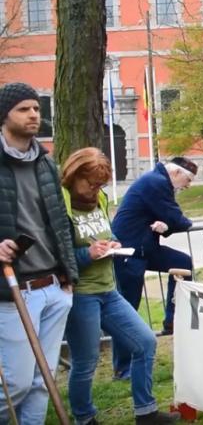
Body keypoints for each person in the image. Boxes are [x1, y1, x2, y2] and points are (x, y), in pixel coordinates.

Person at [61, 147, 177, 425]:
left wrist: (112, 243)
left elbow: (105, 231)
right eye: (90, 184)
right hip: (81, 295)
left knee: (145, 342)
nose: (94, 190)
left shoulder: (98, 199)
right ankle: (84, 418)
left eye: (100, 185)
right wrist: (86, 255)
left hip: (108, 290)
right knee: (85, 362)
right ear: (74, 176)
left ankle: (145, 411)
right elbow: (58, 257)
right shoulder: (61, 204)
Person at [0, 82, 77, 423]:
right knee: (14, 384)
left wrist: (68, 277)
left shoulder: (46, 164)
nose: (34, 114)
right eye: (24, 109)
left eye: (36, 108)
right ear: (4, 116)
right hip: (14, 291)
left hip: (53, 287)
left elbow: (61, 224)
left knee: (41, 382)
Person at [110, 156, 196, 378]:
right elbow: (177, 219)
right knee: (128, 307)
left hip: (145, 247)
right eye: (187, 180)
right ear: (176, 174)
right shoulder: (156, 183)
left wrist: (167, 226)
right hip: (128, 251)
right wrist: (174, 224)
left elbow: (168, 219)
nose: (188, 186)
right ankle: (122, 367)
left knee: (182, 263)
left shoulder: (157, 181)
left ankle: (172, 319)